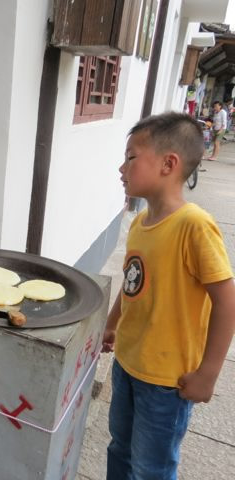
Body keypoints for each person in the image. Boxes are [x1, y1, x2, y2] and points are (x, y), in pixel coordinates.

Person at [103, 112, 235, 479]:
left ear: (168, 164)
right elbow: (133, 282)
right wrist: (112, 325)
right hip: (128, 363)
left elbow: (227, 302)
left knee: (151, 467)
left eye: (131, 157)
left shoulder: (193, 225)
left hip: (166, 383)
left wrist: (208, 374)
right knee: (120, 447)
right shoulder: (141, 223)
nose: (122, 167)